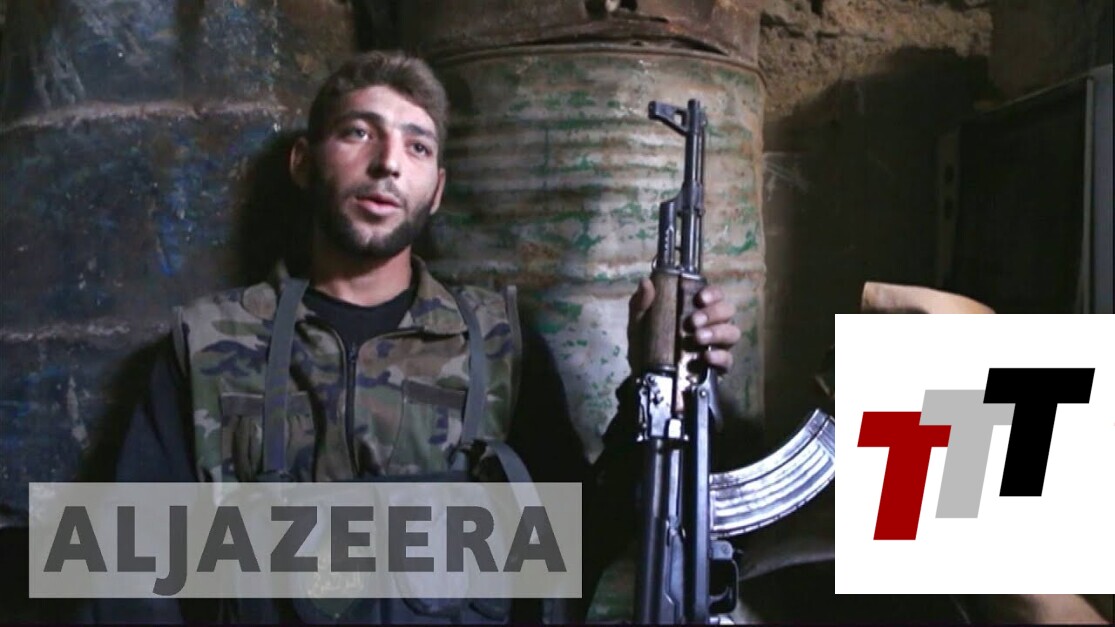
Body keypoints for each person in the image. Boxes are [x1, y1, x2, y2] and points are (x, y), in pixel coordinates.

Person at [98, 50, 741, 623]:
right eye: (358, 132)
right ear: (303, 162)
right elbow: (127, 582)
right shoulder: (209, 345)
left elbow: (576, 546)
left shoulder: (500, 344)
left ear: (437, 191)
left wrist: (659, 380)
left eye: (418, 147)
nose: (387, 164)